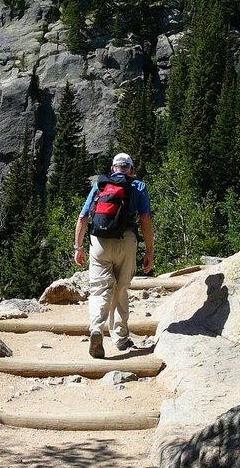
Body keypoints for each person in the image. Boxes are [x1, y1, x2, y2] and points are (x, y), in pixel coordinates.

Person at [73, 152, 154, 359]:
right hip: (126, 240)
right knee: (121, 289)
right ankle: (120, 338)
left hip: (99, 241)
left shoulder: (100, 185)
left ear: (112, 169)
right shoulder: (138, 186)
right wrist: (150, 251)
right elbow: (145, 218)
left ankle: (96, 329)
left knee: (99, 290)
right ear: (131, 169)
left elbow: (83, 217)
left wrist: (78, 247)